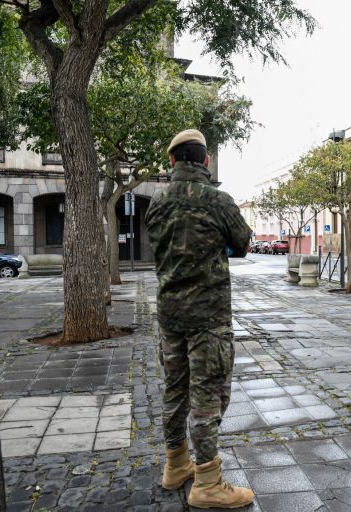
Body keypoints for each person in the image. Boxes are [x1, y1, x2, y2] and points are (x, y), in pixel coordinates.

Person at [145, 129, 253, 509]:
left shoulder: (156, 204)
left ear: (172, 161)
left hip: (170, 316)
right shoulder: (218, 201)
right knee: (207, 395)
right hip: (208, 317)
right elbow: (243, 243)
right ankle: (207, 481)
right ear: (205, 161)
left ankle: (176, 464)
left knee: (174, 389)